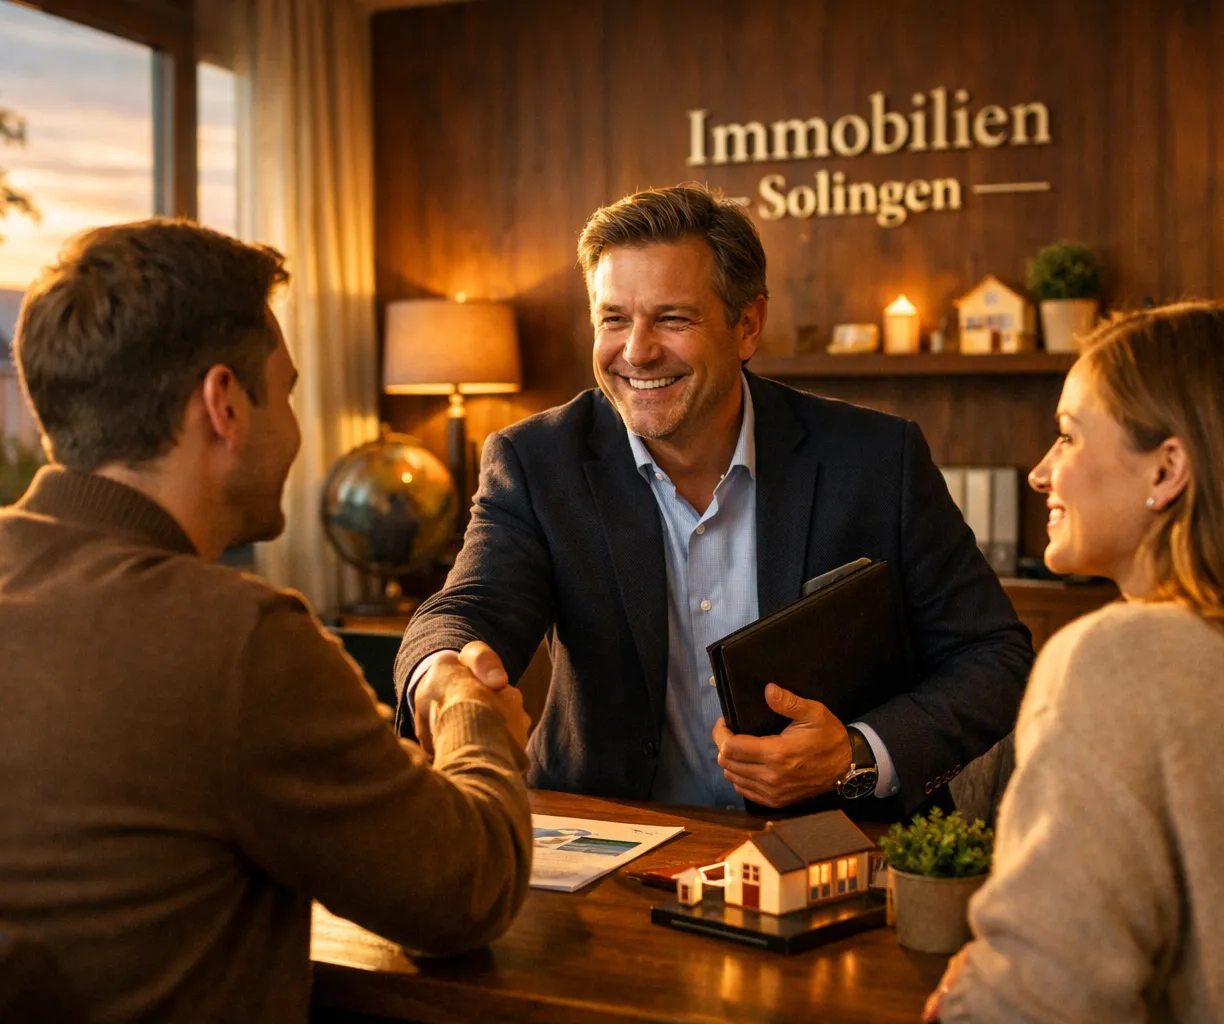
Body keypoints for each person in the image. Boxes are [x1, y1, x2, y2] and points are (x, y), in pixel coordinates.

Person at [0, 220, 534, 1024]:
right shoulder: (240, 640)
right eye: (284, 389)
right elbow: (467, 894)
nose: (291, 425)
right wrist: (471, 715)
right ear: (225, 405)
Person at [395, 184, 1032, 819]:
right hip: (610, 847)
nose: (637, 351)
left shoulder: (875, 460)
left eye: (673, 319)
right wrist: (444, 671)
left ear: (747, 325)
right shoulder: (536, 462)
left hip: (828, 851)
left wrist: (855, 756)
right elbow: (468, 608)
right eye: (613, 319)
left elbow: (994, 656)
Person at [926, 302, 1224, 1022]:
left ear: (1168, 467)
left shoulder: (1122, 659)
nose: (1041, 474)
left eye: (1068, 436)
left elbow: (1040, 1003)